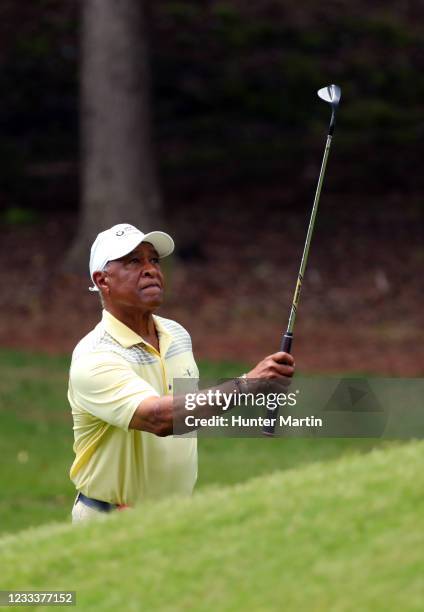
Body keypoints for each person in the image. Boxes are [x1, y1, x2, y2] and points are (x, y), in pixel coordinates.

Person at [68, 223, 295, 523]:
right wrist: (248, 385)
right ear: (103, 280)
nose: (150, 269)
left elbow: (189, 410)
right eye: (134, 261)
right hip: (110, 522)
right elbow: (160, 418)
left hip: (177, 518)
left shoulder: (177, 334)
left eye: (154, 260)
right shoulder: (94, 355)